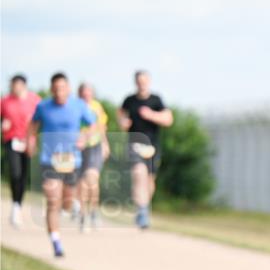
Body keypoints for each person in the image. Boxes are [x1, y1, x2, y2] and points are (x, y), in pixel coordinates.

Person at [27, 73, 96, 257]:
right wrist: (30, 141)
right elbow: (32, 125)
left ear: (69, 89)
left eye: (62, 88)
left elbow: (93, 125)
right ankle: (56, 242)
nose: (59, 92)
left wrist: (85, 137)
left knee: (66, 200)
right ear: (51, 90)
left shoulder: (79, 105)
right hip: (49, 159)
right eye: (55, 89)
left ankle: (71, 206)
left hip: (72, 160)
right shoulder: (43, 106)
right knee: (52, 200)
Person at [118, 70, 172, 229]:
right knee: (138, 173)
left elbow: (168, 119)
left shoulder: (156, 100)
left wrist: (151, 115)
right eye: (139, 81)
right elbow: (120, 114)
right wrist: (123, 122)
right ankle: (142, 212)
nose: (141, 84)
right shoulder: (129, 100)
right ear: (135, 82)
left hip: (152, 147)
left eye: (144, 81)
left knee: (149, 182)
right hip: (134, 144)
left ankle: (143, 208)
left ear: (148, 81)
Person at [1, 74, 41, 228]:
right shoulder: (4, 101)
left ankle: (18, 205)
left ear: (23, 85)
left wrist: (33, 139)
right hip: (11, 140)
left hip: (28, 141)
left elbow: (39, 120)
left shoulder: (35, 100)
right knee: (15, 172)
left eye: (16, 85)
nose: (14, 88)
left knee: (23, 176)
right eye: (12, 85)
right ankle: (15, 206)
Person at [76, 83, 110, 231]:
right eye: (84, 93)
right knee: (81, 183)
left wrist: (105, 144)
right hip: (77, 148)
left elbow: (101, 127)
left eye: (89, 92)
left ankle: (94, 210)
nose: (86, 95)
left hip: (94, 146)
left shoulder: (97, 107)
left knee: (92, 178)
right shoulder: (74, 107)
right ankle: (83, 214)